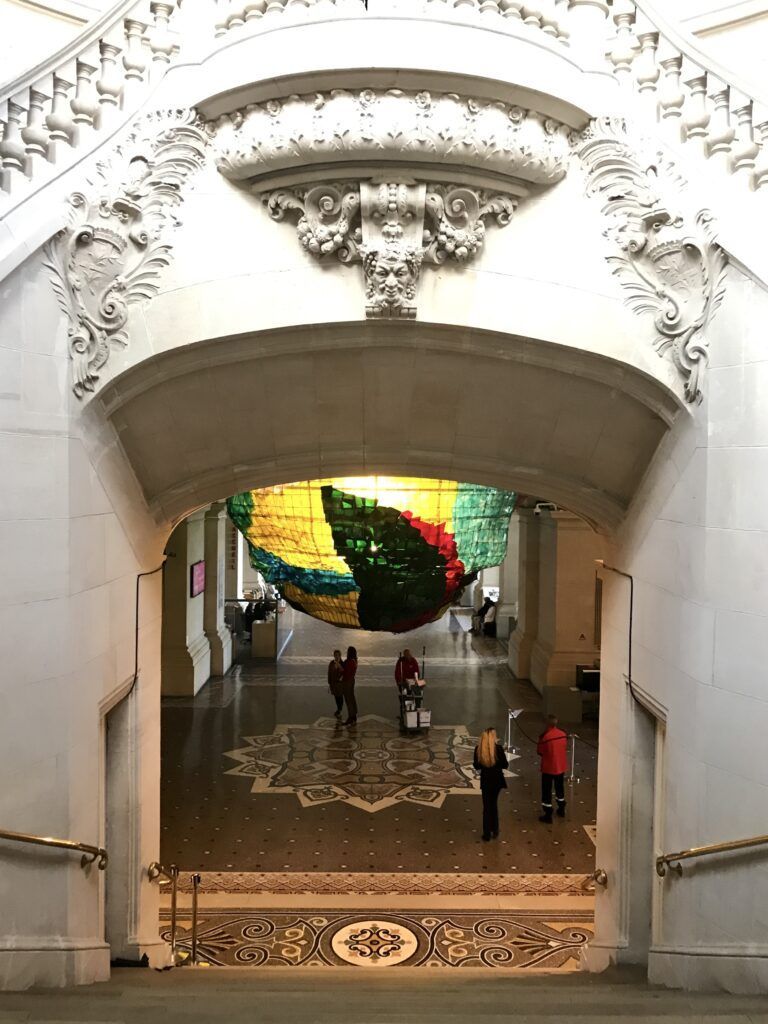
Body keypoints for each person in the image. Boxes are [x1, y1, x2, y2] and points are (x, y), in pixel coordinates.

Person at [473, 727, 509, 842]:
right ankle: (495, 829)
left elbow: (477, 766)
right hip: (497, 780)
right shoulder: (498, 749)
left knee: (487, 807)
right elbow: (505, 765)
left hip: (486, 781)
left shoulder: (478, 749)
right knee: (494, 805)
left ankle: (486, 833)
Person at [537, 714, 568, 823]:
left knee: (547, 790)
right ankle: (561, 807)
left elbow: (540, 751)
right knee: (559, 788)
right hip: (560, 766)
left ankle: (548, 813)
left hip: (548, 767)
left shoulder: (545, 737)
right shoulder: (563, 734)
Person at [341, 645, 358, 726]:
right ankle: (354, 715)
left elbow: (346, 672)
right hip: (352, 681)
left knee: (348, 699)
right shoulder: (354, 661)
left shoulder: (349, 662)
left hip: (347, 681)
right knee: (352, 698)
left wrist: (341, 670)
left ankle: (350, 717)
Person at [328, 649, 344, 719]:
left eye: (338, 655)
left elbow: (344, 672)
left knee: (340, 696)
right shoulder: (332, 663)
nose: (337, 656)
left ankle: (339, 709)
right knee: (336, 696)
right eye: (335, 655)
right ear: (334, 656)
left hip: (340, 684)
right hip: (333, 683)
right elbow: (329, 673)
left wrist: (339, 666)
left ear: (340, 656)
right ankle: (338, 709)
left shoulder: (342, 663)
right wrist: (329, 682)